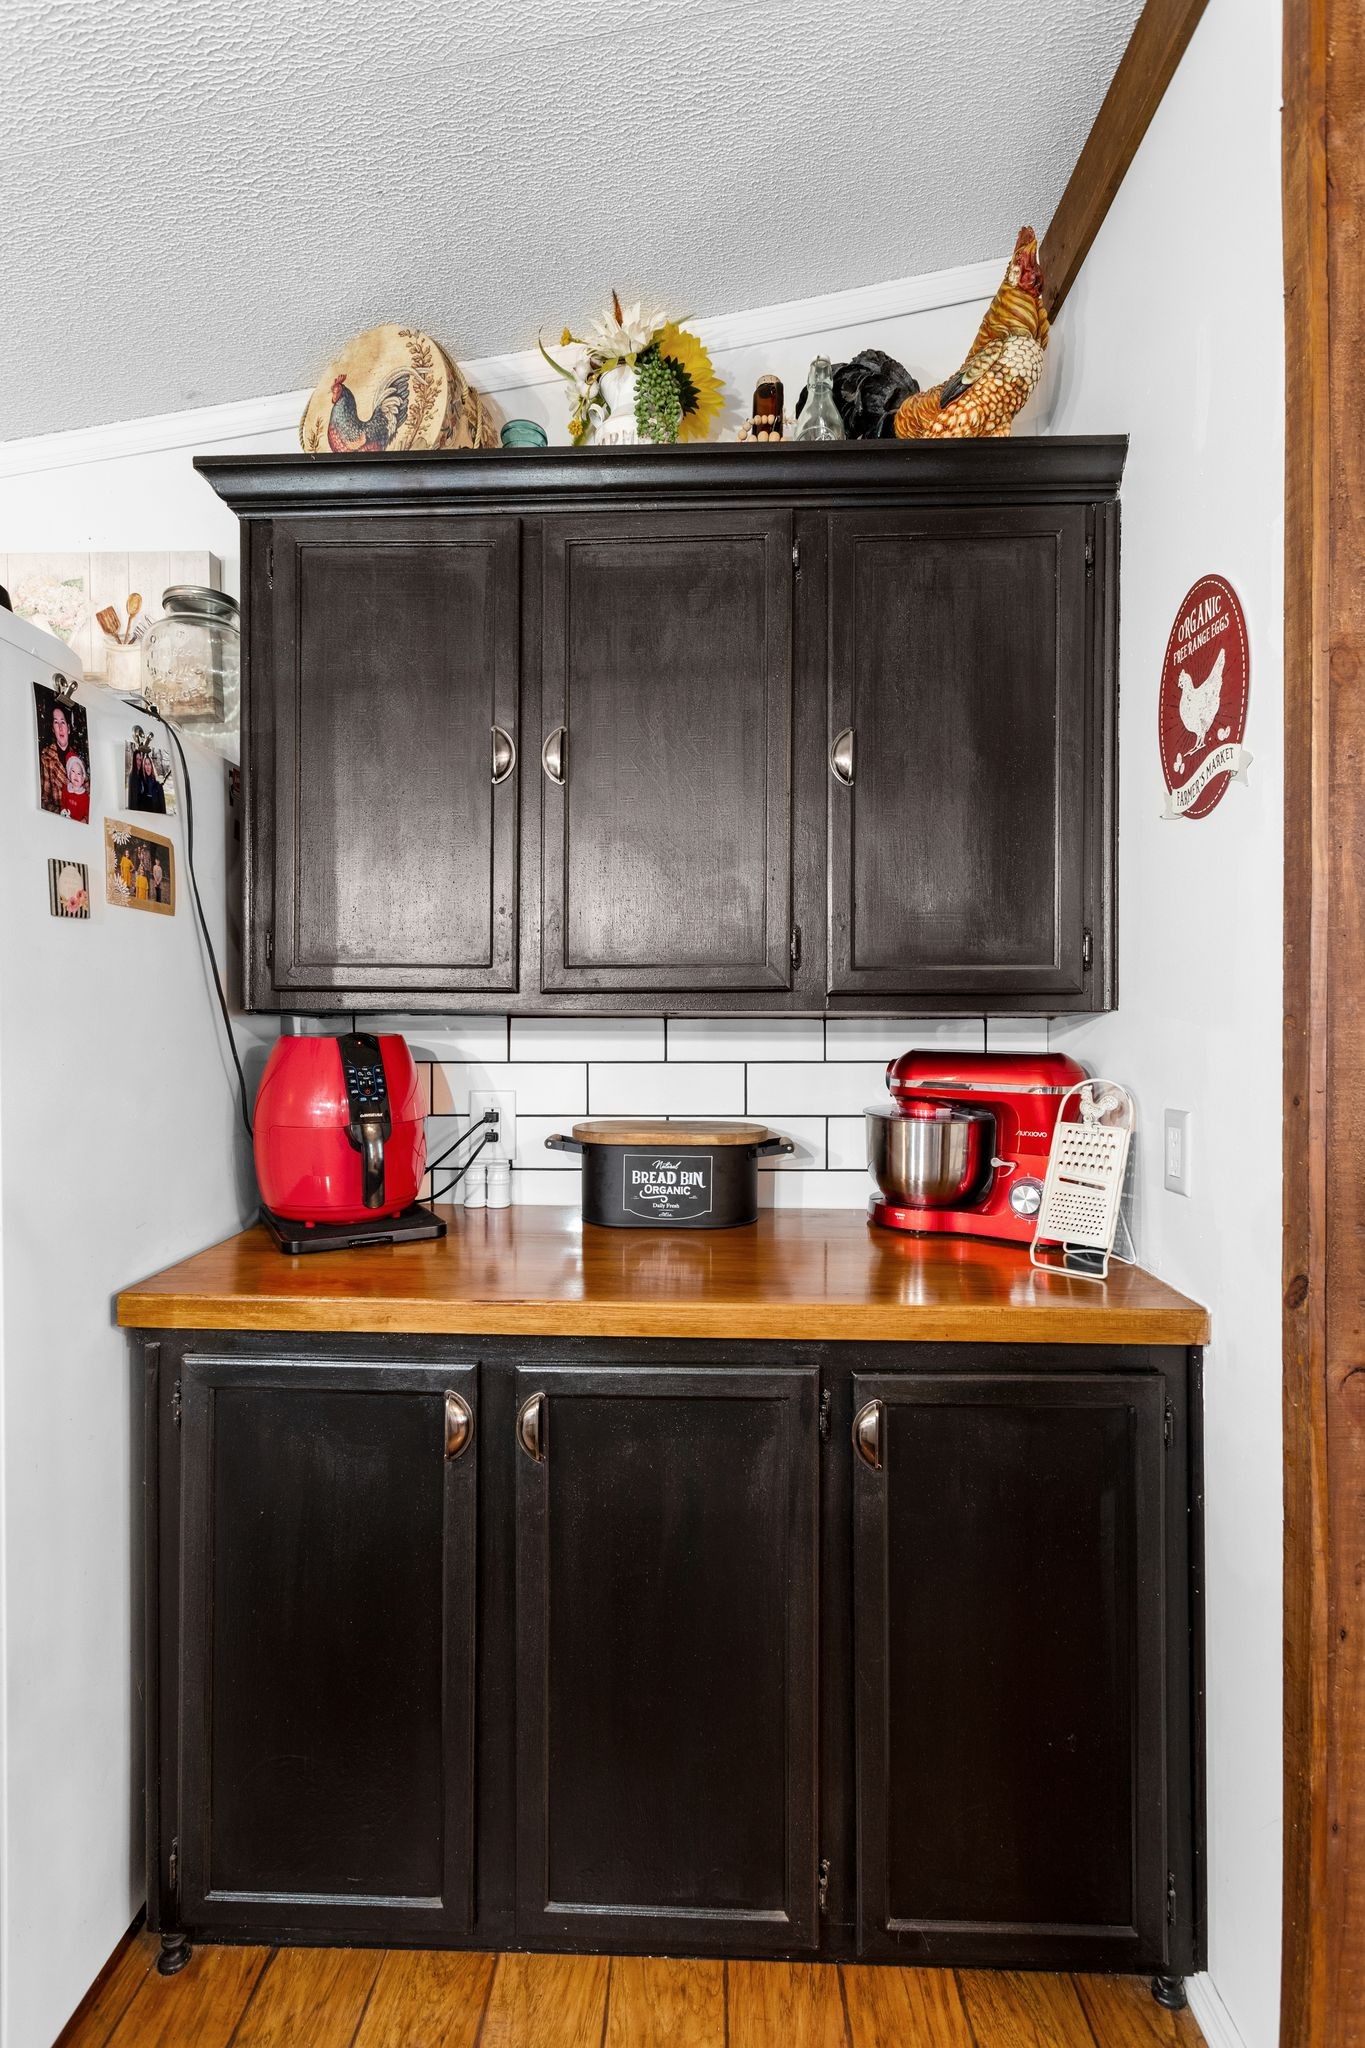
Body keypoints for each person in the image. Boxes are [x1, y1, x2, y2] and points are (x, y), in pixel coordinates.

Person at [39, 700, 70, 815]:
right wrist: (62, 812)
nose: (60, 727)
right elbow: (44, 801)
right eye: (56, 723)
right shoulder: (46, 758)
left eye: (63, 722)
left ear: (69, 728)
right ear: (53, 729)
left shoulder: (78, 760)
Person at [61, 751, 89, 823]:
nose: (76, 775)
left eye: (79, 773)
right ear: (69, 775)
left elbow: (88, 814)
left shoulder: (85, 797)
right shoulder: (65, 789)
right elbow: (63, 804)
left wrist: (84, 820)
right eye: (73, 771)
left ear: (83, 779)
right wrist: (63, 811)